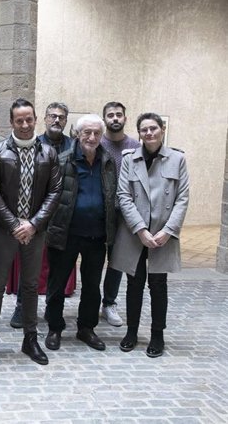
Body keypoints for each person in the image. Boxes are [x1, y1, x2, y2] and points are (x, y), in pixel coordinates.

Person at [0, 98, 61, 366]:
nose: (25, 125)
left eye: (29, 119)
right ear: (11, 122)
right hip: (4, 230)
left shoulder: (48, 153)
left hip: (35, 231)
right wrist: (14, 224)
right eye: (19, 120)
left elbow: (55, 191)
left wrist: (34, 224)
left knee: (30, 285)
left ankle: (30, 338)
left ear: (36, 120)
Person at [110, 113, 189, 358]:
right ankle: (132, 332)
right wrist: (140, 230)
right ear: (139, 133)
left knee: (158, 285)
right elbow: (123, 196)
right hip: (136, 233)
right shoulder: (129, 159)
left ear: (162, 130)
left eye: (153, 128)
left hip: (163, 234)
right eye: (144, 130)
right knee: (134, 284)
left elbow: (182, 199)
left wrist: (168, 231)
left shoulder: (177, 159)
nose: (149, 133)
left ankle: (157, 335)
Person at [43, 115, 117, 352]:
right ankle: (54, 328)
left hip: (96, 235)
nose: (92, 137)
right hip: (66, 233)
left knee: (93, 285)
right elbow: (50, 196)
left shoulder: (108, 161)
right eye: (87, 132)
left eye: (96, 133)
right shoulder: (62, 160)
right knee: (57, 284)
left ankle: (87, 328)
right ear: (77, 133)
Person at [8, 102, 74, 328]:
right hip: (34, 216)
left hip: (62, 215)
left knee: (57, 266)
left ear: (66, 121)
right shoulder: (34, 144)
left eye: (61, 117)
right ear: (43, 119)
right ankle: (21, 308)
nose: (57, 120)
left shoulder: (73, 147)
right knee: (29, 265)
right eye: (52, 116)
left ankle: (53, 310)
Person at [99, 101, 141, 327]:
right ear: (104, 118)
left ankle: (109, 303)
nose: (114, 118)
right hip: (99, 213)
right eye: (110, 115)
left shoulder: (135, 145)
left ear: (125, 118)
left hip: (124, 213)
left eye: (118, 115)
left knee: (116, 261)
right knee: (95, 261)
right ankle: (90, 301)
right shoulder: (97, 141)